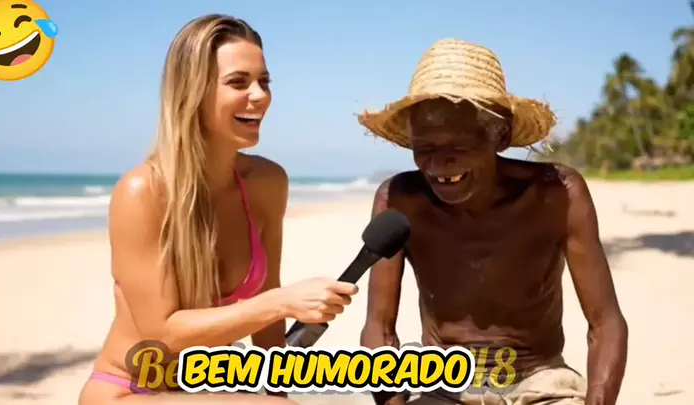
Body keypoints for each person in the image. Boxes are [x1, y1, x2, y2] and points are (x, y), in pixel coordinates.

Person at [78, 14, 358, 405]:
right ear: (192, 91)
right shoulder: (143, 192)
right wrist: (281, 302)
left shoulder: (267, 182)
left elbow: (267, 320)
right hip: (128, 391)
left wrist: (275, 393)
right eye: (238, 82)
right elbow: (162, 334)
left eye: (264, 81)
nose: (260, 96)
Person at [357, 39, 628, 405]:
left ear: (499, 136)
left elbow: (605, 323)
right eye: (425, 148)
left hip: (540, 381)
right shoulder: (401, 200)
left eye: (458, 146)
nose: (438, 164)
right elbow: (379, 328)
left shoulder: (556, 195)